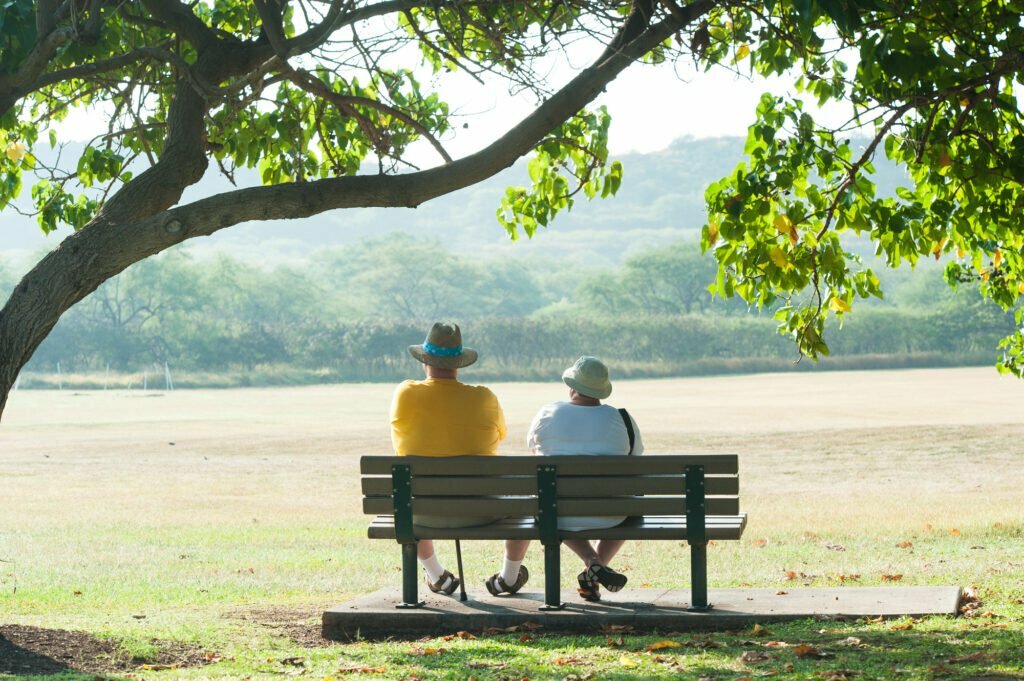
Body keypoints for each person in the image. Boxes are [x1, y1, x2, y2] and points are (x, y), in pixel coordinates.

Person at [485, 356, 643, 602]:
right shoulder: (622, 419)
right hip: (612, 513)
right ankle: (593, 569)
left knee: (552, 501)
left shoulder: (548, 413)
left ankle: (592, 562)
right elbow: (634, 463)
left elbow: (536, 456)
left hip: (556, 510)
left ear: (572, 386)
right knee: (629, 504)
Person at [391, 321, 507, 596]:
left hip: (419, 511)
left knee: (410, 496)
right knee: (530, 500)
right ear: (460, 363)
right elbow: (501, 434)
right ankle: (510, 576)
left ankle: (437, 575)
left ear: (425, 361)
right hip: (480, 511)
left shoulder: (405, 393)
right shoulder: (484, 397)